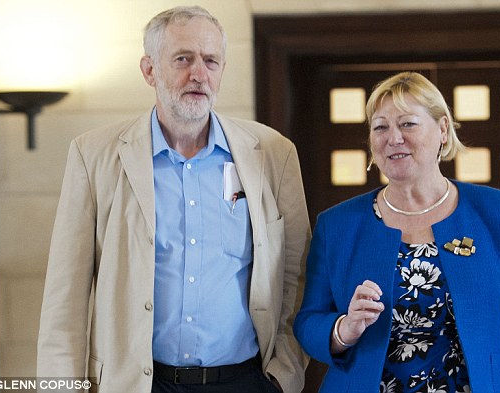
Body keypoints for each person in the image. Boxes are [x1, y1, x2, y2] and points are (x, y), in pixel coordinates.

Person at [37, 6, 310, 393]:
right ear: (149, 70)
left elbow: (295, 276)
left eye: (211, 61)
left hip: (245, 381)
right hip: (138, 384)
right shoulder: (93, 154)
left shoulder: (272, 153)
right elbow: (66, 297)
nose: (199, 74)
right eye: (183, 59)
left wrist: (284, 375)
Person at [293, 71, 500, 392]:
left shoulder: (496, 212)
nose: (394, 138)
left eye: (407, 123)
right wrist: (342, 329)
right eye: (380, 127)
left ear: (443, 129)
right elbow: (308, 322)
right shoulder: (337, 224)